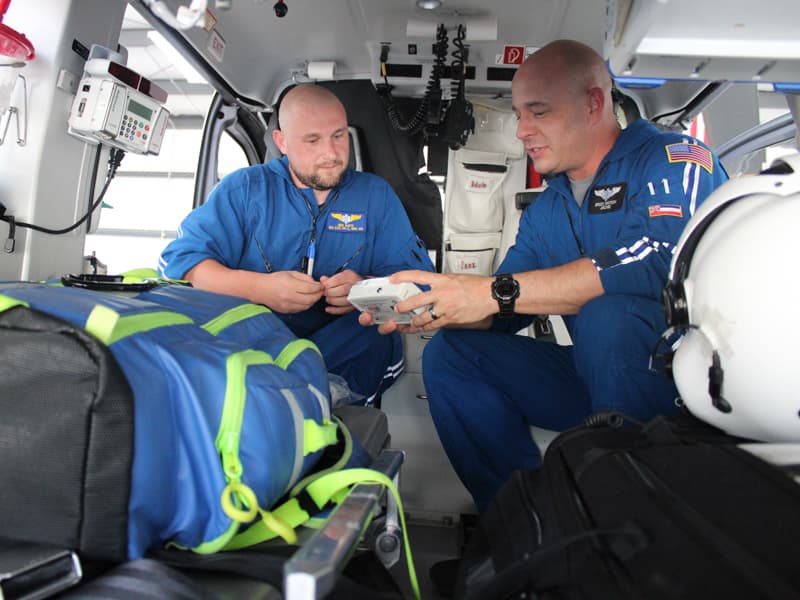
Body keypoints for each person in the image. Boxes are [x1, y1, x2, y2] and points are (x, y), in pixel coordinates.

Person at [361, 39, 729, 512]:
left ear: (594, 103)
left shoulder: (674, 159)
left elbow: (660, 258)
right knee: (453, 354)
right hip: (592, 377)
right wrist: (436, 304)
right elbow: (502, 310)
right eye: (519, 114)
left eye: (537, 112)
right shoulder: (549, 206)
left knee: (608, 316)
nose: (521, 131)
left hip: (679, 390)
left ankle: (628, 524)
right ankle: (523, 524)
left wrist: (492, 293)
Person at [159, 83, 434, 405]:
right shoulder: (245, 189)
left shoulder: (376, 196)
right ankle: (284, 405)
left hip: (340, 346)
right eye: (313, 140)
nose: (331, 153)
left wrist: (365, 289)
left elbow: (420, 283)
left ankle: (311, 407)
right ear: (282, 140)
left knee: (373, 333)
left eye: (339, 135)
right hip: (258, 339)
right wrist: (259, 289)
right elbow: (179, 266)